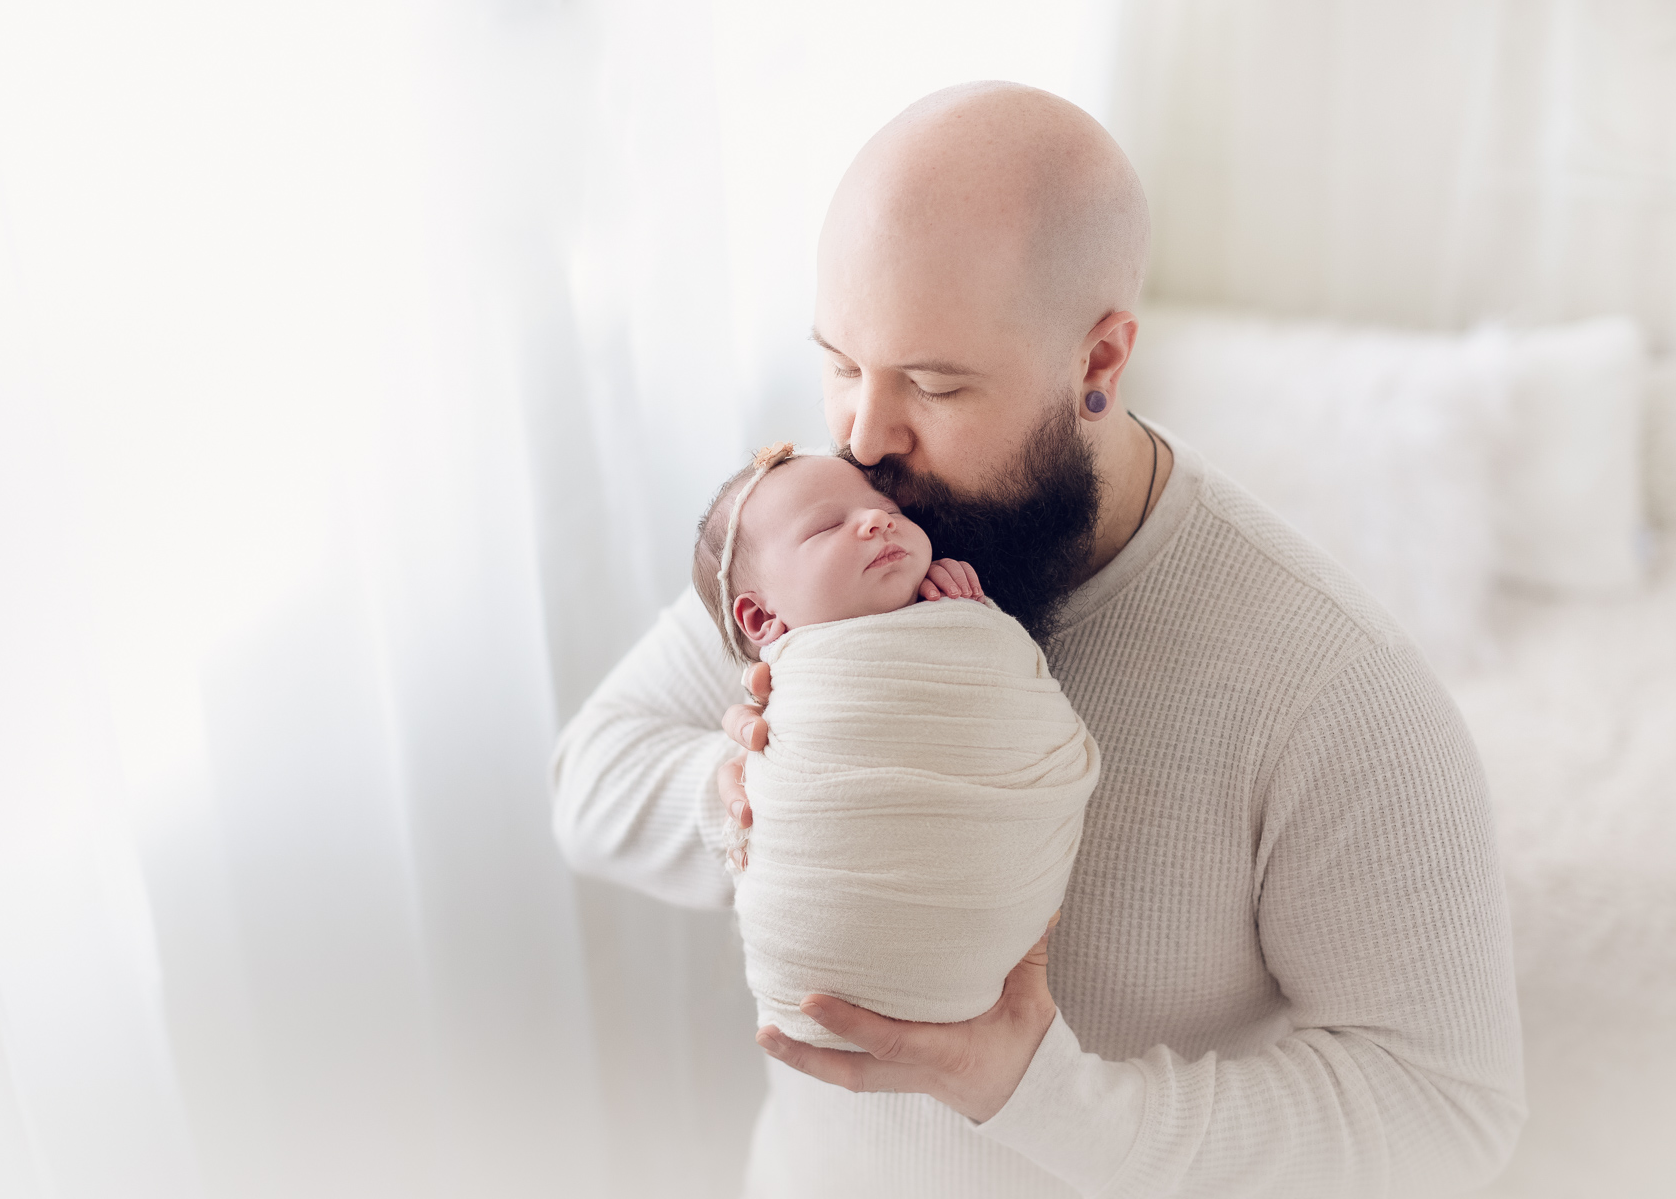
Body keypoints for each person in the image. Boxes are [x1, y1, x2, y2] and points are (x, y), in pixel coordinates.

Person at [552, 82, 1525, 1198]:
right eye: (839, 362)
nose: (865, 434)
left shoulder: (1334, 687)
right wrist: (761, 798)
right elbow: (592, 778)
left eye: (932, 381)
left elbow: (1447, 1114)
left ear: (1100, 364)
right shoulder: (846, 545)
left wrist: (1040, 1093)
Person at [693, 443, 1098, 1052]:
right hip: (814, 979)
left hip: (986, 968)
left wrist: (970, 614)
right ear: (760, 621)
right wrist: (735, 789)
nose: (879, 519)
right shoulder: (793, 671)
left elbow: (1004, 701)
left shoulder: (950, 607)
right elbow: (594, 773)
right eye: (830, 526)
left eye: (886, 507)